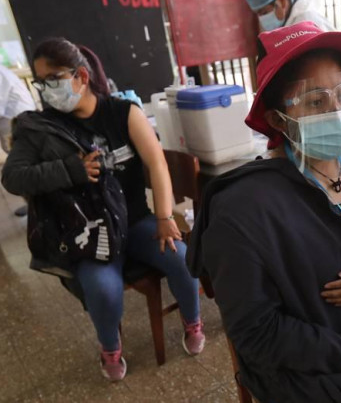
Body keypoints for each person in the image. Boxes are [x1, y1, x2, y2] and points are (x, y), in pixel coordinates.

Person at [186, 22, 341, 403]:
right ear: (277, 119)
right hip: (304, 365)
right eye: (315, 101)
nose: (337, 111)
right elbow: (256, 332)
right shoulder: (244, 210)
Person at [1, 38, 205, 381]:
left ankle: (193, 321)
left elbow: (157, 164)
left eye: (52, 80)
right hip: (87, 232)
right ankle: (110, 348)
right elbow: (13, 177)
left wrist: (165, 217)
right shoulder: (41, 128)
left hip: (138, 222)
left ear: (80, 76)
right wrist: (69, 170)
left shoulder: (122, 113)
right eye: (40, 82)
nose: (45, 90)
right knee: (103, 290)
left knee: (183, 260)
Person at [0, 64, 37, 217]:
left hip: (17, 121)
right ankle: (34, 205)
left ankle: (37, 206)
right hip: (11, 122)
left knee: (24, 165)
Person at [241, 0, 336, 32]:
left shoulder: (306, 24)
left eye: (264, 12)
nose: (262, 20)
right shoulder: (289, 25)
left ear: (282, 1)